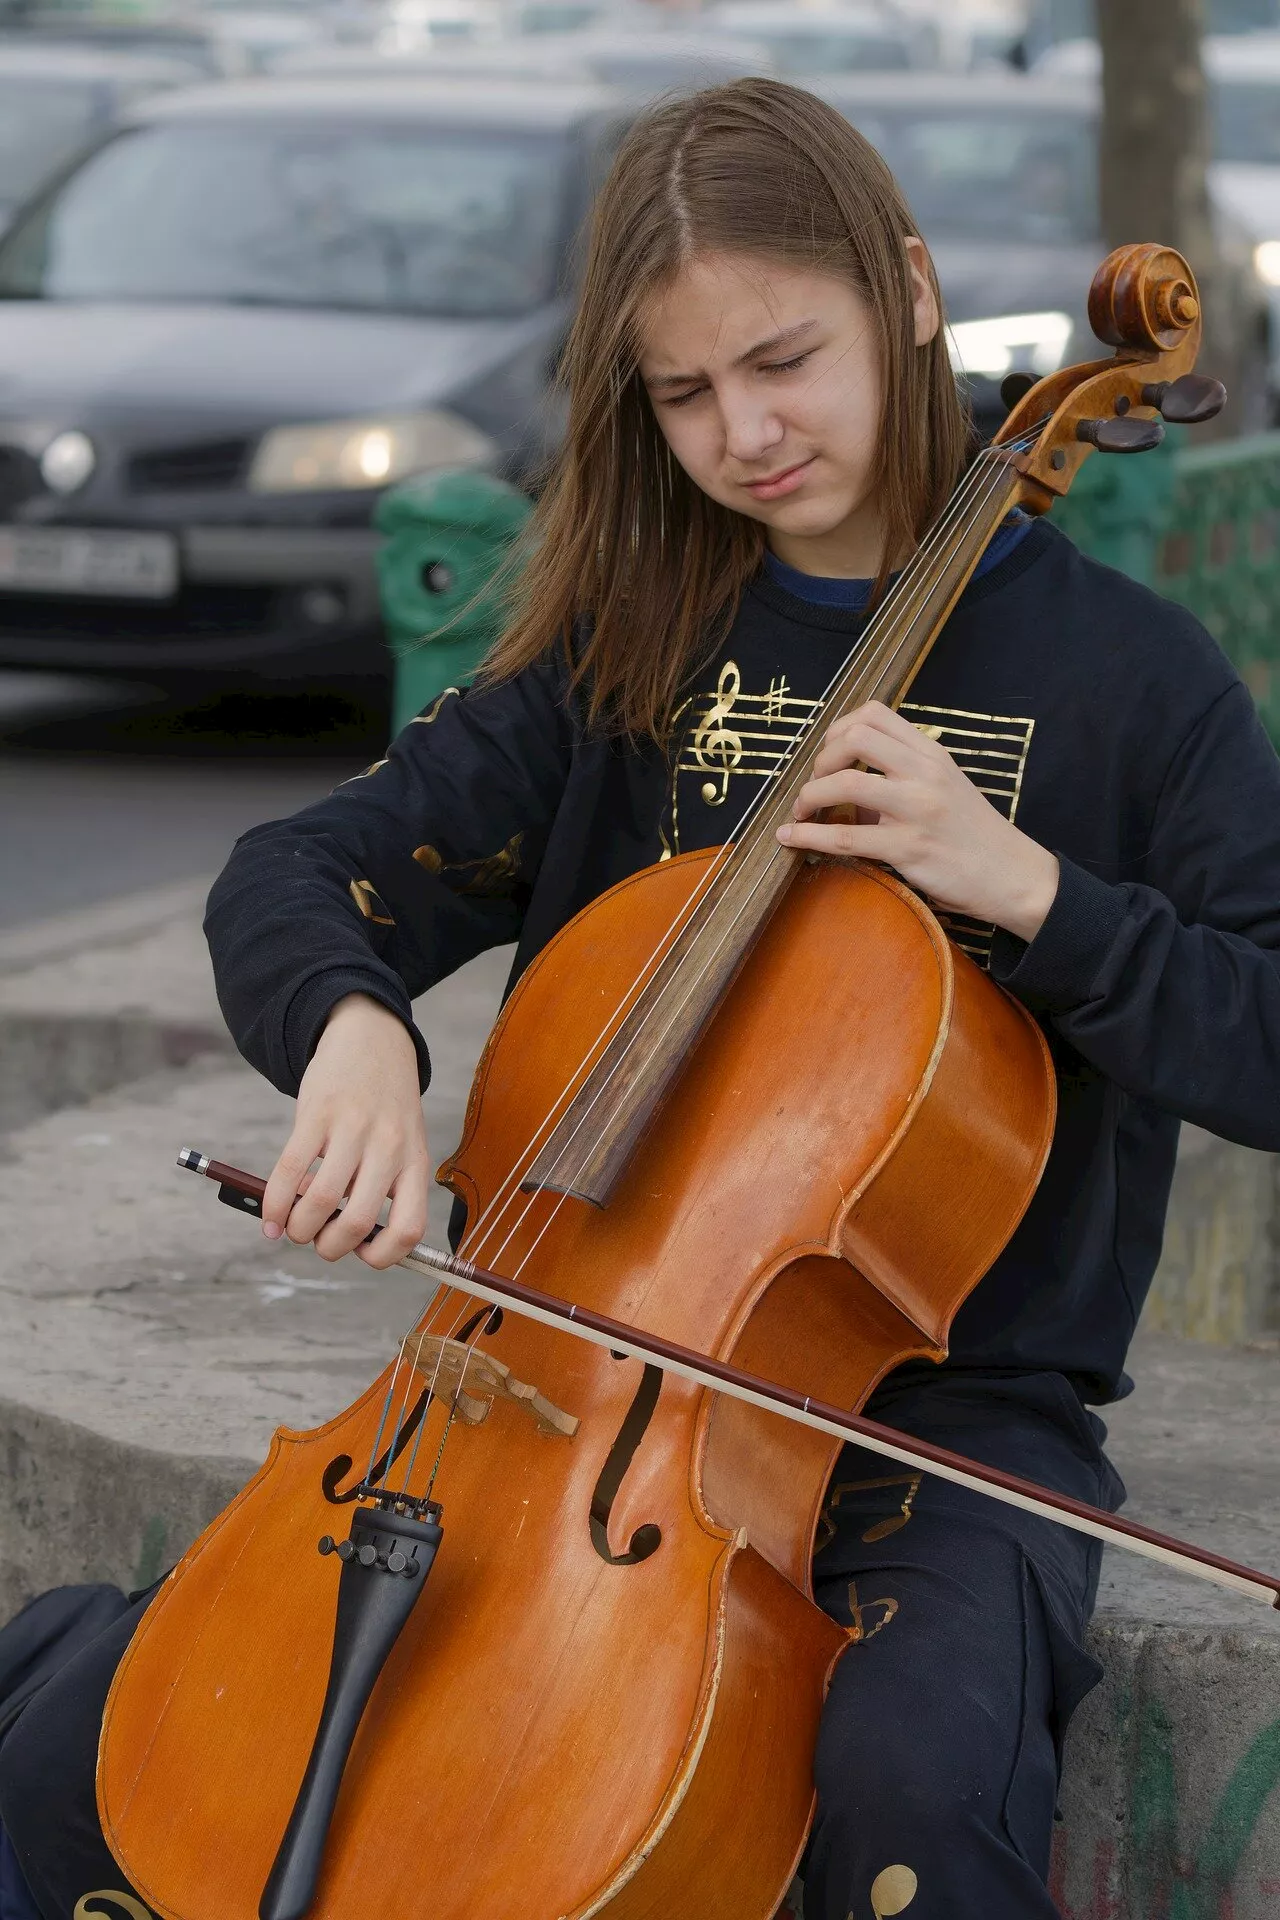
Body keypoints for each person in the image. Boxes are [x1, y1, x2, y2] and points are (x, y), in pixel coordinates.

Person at [4, 75, 1280, 1920]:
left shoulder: (1131, 685)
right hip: (550, 1389)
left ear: (908, 296)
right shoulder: (631, 654)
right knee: (99, 1756)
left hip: (943, 1422)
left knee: (910, 1805)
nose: (746, 433)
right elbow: (298, 872)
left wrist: (1027, 890)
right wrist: (355, 1036)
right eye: (684, 395)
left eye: (784, 360)